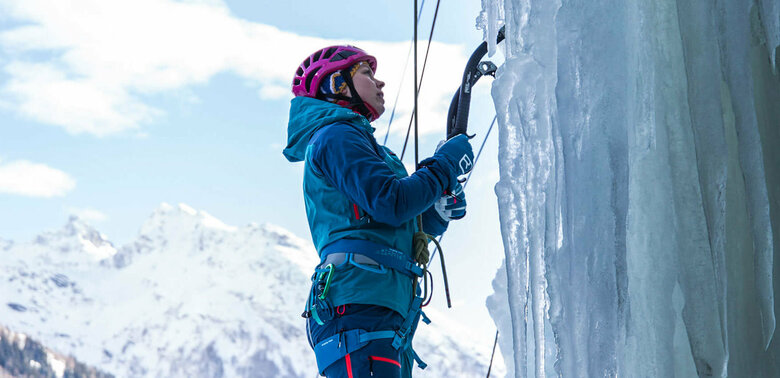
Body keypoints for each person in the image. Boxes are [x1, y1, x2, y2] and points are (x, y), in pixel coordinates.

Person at [284, 45, 473, 377]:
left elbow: (393, 222)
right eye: (366, 73)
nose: (379, 82)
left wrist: (435, 214)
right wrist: (443, 167)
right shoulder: (336, 136)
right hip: (361, 305)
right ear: (337, 85)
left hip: (375, 308)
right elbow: (391, 202)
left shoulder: (361, 145)